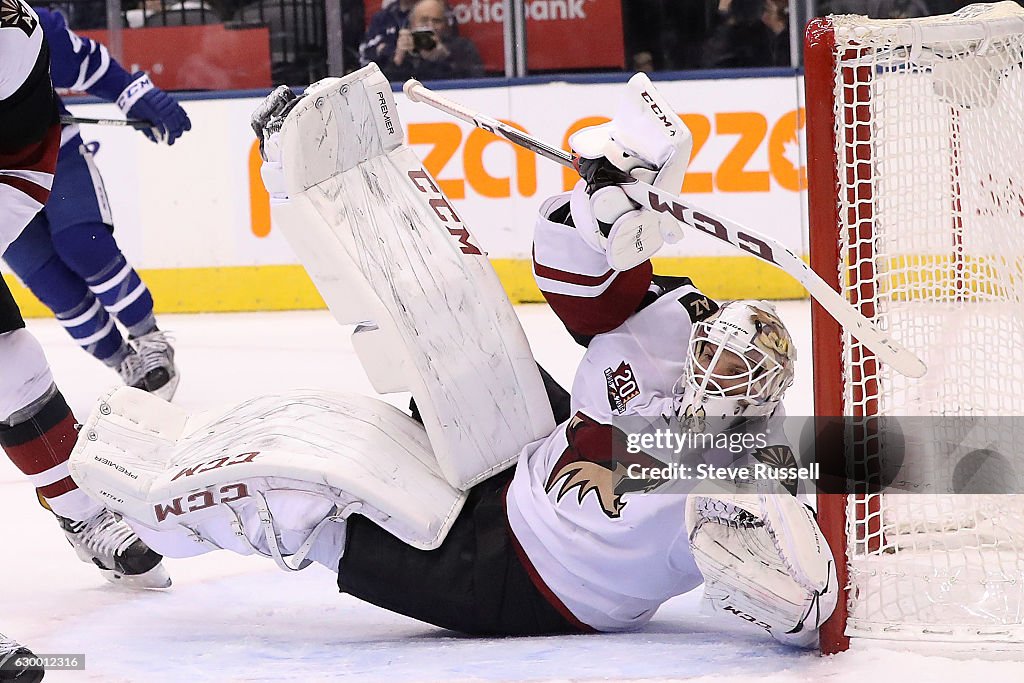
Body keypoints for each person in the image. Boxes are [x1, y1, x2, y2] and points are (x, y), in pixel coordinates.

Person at [70, 70, 836, 646]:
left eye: (737, 377)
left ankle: (145, 513)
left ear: (764, 401)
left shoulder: (745, 474)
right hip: (529, 453)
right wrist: (605, 209)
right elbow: (577, 279)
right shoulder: (674, 319)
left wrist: (795, 582)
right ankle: (302, 153)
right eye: (716, 356)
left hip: (524, 582)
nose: (712, 375)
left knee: (319, 496)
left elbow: (801, 603)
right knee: (445, 313)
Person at [0, 0, 169, 589]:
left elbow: (24, 157)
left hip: (22, 175)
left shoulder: (18, 39)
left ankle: (81, 514)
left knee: (14, 365)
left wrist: (133, 93)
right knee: (47, 293)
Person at [2, 7, 190, 401]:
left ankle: (148, 337)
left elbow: (65, 49)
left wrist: (128, 90)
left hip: (50, 154)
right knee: (53, 285)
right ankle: (124, 361)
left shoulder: (11, 23)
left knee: (83, 244)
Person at [373, 0, 483, 81]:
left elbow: (475, 80)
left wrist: (445, 58)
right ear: (412, 24)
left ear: (445, 24)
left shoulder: (461, 48)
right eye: (424, 20)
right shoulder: (400, 48)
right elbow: (383, 88)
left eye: (437, 21)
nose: (430, 26)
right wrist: (398, 58)